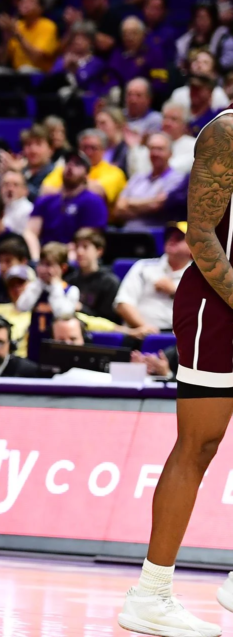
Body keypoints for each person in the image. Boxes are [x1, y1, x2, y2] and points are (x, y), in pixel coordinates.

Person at [115, 86, 233, 637]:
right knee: (199, 443)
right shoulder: (226, 132)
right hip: (217, 298)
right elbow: (202, 235)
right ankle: (151, 593)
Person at [26, 151, 109, 259]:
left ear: (87, 174)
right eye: (68, 162)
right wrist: (36, 258)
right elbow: (30, 232)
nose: (70, 166)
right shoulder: (46, 200)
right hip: (44, 255)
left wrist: (61, 257)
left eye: (77, 164)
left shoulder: (94, 202)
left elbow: (87, 239)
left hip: (74, 256)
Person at [113, 222, 193, 334]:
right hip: (139, 333)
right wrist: (145, 328)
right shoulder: (144, 267)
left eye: (179, 238)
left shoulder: (199, 276)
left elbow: (204, 313)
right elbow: (123, 303)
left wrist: (176, 292)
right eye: (170, 236)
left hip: (178, 338)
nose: (172, 240)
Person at [15, 242, 80, 362]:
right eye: (41, 264)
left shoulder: (70, 290)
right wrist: (38, 285)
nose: (44, 269)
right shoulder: (35, 288)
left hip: (57, 344)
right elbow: (21, 306)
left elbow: (62, 314)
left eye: (49, 265)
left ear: (63, 268)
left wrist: (55, 285)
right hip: (35, 343)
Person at [114, 133, 188, 231]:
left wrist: (129, 203)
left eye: (160, 149)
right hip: (127, 233)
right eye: (152, 149)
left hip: (154, 236)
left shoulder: (177, 179)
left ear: (170, 153)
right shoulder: (137, 178)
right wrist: (148, 204)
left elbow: (158, 205)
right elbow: (118, 209)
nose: (155, 153)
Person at [67, 228, 119, 322]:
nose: (79, 252)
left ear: (99, 251)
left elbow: (108, 320)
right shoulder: (70, 280)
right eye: (77, 247)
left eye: (85, 247)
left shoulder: (110, 283)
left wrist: (81, 308)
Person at [161, 101, 196, 174]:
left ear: (184, 124)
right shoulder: (154, 143)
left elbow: (174, 170)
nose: (167, 123)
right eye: (165, 118)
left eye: (173, 119)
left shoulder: (194, 145)